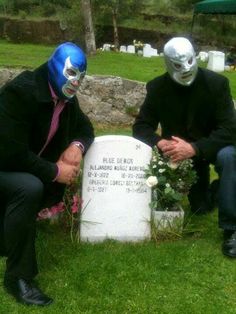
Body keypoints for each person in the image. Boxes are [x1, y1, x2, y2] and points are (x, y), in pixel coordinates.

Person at [0, 42, 94, 306]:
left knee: (31, 185)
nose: (76, 82)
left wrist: (77, 146)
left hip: (15, 169)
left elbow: (86, 129)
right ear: (56, 67)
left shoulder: (65, 100)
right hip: (5, 163)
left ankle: (7, 238)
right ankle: (18, 277)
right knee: (29, 187)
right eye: (72, 73)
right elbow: (9, 151)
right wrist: (55, 170)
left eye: (81, 77)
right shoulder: (21, 92)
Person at [133, 37, 236, 257]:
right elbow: (141, 126)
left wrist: (196, 148)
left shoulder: (217, 84)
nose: (186, 69)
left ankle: (232, 229)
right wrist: (160, 142)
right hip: (178, 155)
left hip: (212, 147)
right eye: (178, 65)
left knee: (230, 157)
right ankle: (218, 190)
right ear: (168, 63)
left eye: (189, 61)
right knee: (200, 209)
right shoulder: (157, 88)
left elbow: (229, 129)